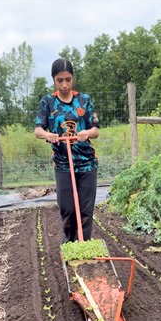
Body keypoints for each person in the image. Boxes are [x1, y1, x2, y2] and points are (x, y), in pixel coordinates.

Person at [34, 58, 99, 243]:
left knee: (86, 210)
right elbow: (37, 130)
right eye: (59, 80)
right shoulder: (48, 102)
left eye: (68, 79)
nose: (64, 84)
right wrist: (48, 135)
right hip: (63, 162)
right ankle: (70, 243)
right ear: (54, 80)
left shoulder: (84, 100)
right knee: (68, 209)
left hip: (86, 162)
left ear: (73, 78)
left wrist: (87, 132)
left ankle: (84, 245)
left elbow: (95, 130)